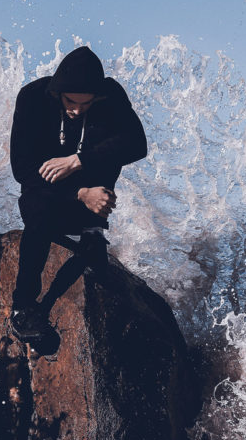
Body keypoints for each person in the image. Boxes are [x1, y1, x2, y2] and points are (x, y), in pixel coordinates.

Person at [9, 46, 147, 341]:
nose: (76, 110)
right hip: (43, 193)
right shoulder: (33, 98)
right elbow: (22, 170)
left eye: (86, 104)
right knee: (39, 217)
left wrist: (78, 160)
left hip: (93, 199)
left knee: (113, 146)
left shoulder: (110, 95)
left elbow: (137, 144)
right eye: (71, 102)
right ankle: (22, 307)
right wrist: (79, 192)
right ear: (58, 91)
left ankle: (91, 231)